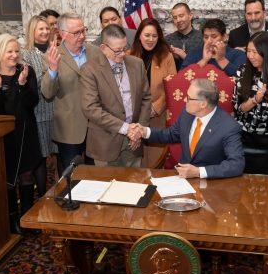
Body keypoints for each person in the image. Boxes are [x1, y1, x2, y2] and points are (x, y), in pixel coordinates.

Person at [0, 34, 41, 235]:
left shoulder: (26, 72)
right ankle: (11, 218)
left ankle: (28, 217)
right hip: (2, 136)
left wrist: (22, 85)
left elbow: (33, 102)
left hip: (25, 132)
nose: (15, 55)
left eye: (17, 51)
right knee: (7, 178)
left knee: (27, 174)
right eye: (10, 52)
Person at [130, 78, 244, 179]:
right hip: (183, 183)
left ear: (203, 104)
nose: (184, 100)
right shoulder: (187, 113)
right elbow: (171, 134)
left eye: (189, 98)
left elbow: (236, 164)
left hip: (211, 186)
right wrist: (144, 131)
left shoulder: (229, 127)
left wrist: (198, 172)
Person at [80, 25, 151, 167]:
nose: (123, 54)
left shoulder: (137, 64)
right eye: (117, 51)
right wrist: (126, 128)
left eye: (125, 48)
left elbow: (146, 99)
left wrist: (138, 130)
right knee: (108, 186)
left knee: (134, 184)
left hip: (134, 142)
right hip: (105, 143)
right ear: (103, 48)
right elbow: (91, 108)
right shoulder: (90, 70)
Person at [42, 13, 101, 173]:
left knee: (97, 175)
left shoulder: (95, 52)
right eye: (76, 33)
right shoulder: (52, 56)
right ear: (62, 34)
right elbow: (47, 93)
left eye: (83, 30)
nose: (82, 36)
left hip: (97, 126)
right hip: (69, 129)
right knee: (71, 178)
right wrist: (53, 70)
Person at [233, 32, 268, 174]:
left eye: (255, 52)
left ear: (267, 51)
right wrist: (255, 100)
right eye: (248, 51)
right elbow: (238, 108)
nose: (250, 56)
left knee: (265, 182)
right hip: (243, 136)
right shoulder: (243, 71)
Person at [128, 18, 177, 167]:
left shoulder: (166, 56)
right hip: (133, 117)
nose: (150, 39)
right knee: (135, 161)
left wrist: (156, 108)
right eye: (146, 35)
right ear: (139, 36)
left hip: (157, 116)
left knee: (155, 161)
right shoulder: (128, 55)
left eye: (154, 36)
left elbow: (172, 86)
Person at [21, 15, 56, 197]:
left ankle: (61, 190)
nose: (45, 32)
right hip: (40, 113)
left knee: (59, 155)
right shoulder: (25, 54)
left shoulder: (56, 50)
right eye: (40, 29)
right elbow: (32, 84)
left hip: (58, 112)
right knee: (41, 158)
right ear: (32, 32)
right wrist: (50, 70)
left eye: (46, 28)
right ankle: (43, 196)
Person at [181, 18, 245, 76]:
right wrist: (204, 60)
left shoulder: (238, 54)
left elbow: (242, 76)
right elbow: (181, 77)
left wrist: (221, 60)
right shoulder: (193, 53)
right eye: (206, 37)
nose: (209, 41)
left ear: (224, 37)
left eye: (214, 37)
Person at [165, 2, 203, 69]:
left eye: (181, 16)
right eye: (175, 17)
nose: (178, 20)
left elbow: (207, 66)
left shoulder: (202, 38)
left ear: (190, 15)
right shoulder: (167, 40)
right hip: (175, 78)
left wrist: (185, 56)